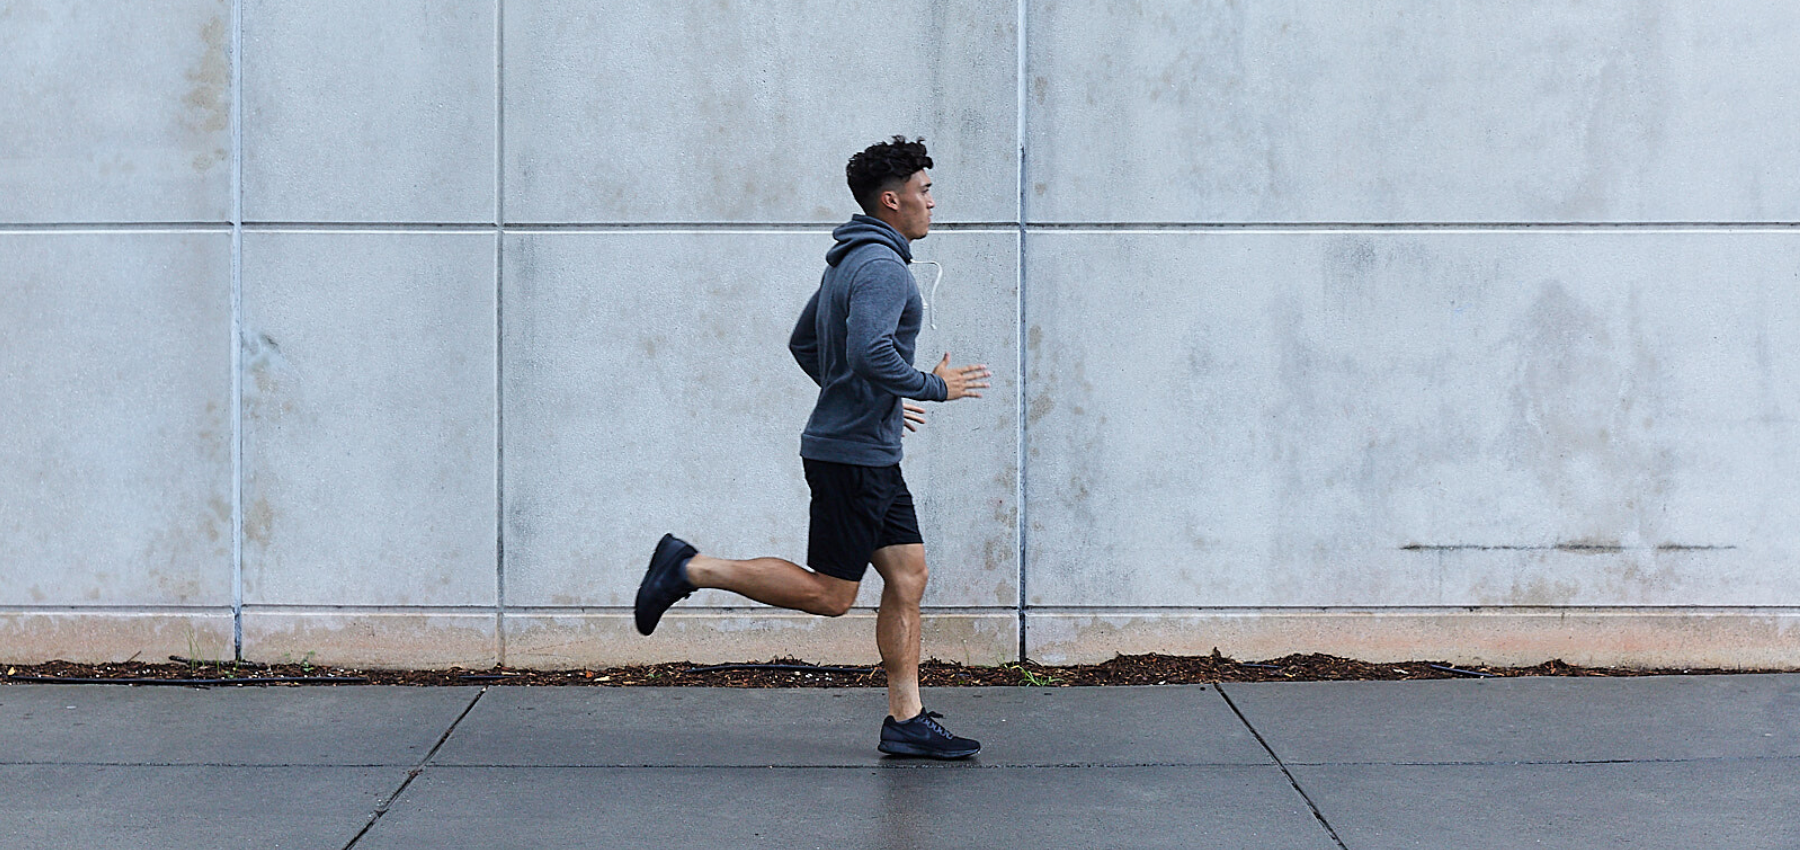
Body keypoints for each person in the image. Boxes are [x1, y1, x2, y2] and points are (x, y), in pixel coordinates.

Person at [635, 136, 992, 759]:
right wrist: (932, 387)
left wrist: (872, 397)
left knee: (908, 576)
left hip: (866, 450)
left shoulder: (850, 260)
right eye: (924, 192)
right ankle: (688, 567)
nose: (932, 203)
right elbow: (870, 354)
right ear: (891, 200)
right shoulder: (882, 267)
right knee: (833, 595)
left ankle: (905, 720)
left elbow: (807, 344)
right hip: (851, 457)